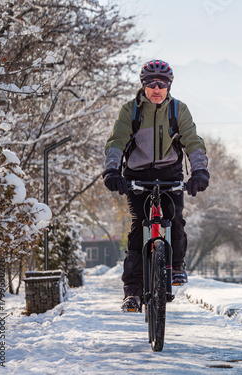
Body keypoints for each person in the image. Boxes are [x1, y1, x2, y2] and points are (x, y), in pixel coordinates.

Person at [102, 59, 209, 312]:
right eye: (151, 84)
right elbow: (117, 141)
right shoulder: (132, 111)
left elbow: (193, 141)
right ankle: (133, 293)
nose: (157, 88)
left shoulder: (178, 110)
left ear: (169, 86)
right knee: (139, 229)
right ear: (144, 86)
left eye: (162, 84)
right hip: (137, 175)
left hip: (170, 173)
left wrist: (200, 171)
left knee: (175, 219)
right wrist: (111, 170)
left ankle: (177, 265)